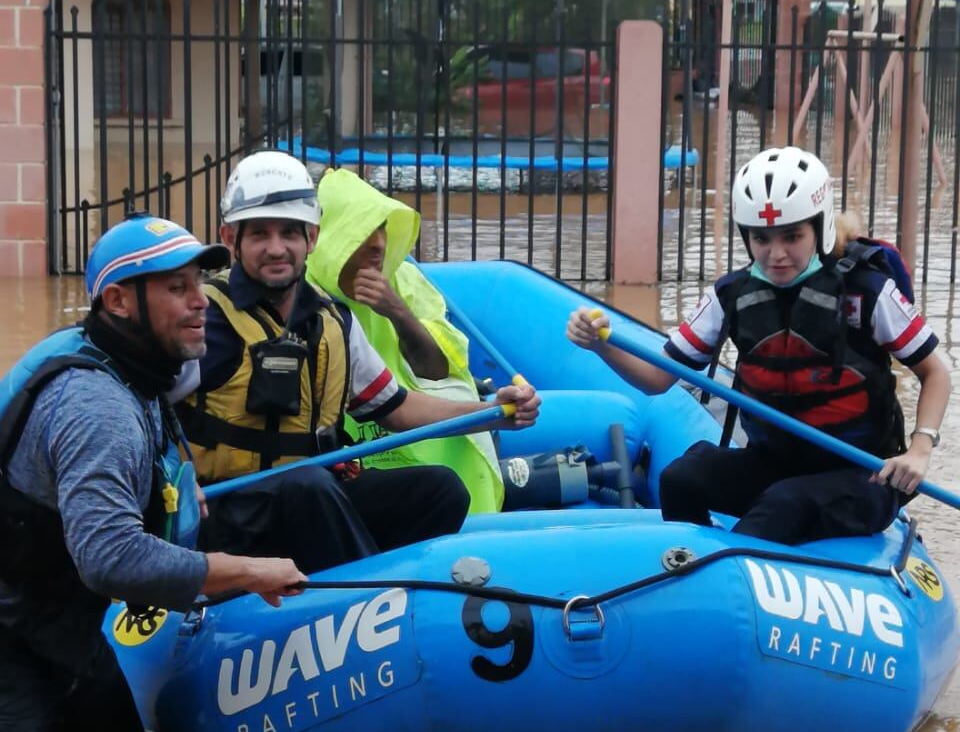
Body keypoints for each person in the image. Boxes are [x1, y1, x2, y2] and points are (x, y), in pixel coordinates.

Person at [0, 215, 307, 732]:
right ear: (118, 300)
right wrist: (245, 570)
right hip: (10, 640)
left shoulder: (130, 371)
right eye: (176, 288)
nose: (201, 302)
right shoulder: (96, 405)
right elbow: (112, 558)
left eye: (199, 283)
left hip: (58, 626)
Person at [567, 145, 951, 545]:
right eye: (761, 238)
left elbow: (935, 371)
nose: (776, 253)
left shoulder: (866, 293)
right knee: (680, 479)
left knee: (783, 504)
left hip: (862, 474)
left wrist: (920, 449)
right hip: (776, 463)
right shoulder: (731, 295)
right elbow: (656, 379)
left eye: (792, 236)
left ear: (820, 228)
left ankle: (726, 582)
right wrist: (601, 345)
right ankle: (688, 571)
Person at [176, 151, 539, 573]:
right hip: (230, 512)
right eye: (260, 234)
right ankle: (374, 598)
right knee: (306, 486)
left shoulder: (333, 321)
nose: (277, 249)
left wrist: (494, 412)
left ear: (311, 238)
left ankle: (381, 590)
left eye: (290, 233)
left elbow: (397, 408)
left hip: (316, 496)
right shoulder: (205, 319)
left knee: (442, 489)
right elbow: (147, 409)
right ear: (230, 237)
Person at [305, 167, 503, 514]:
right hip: (351, 445)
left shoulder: (404, 280)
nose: (379, 244)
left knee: (448, 485)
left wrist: (397, 312)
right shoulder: (305, 297)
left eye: (382, 230)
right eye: (365, 231)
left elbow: (437, 371)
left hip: (411, 417)